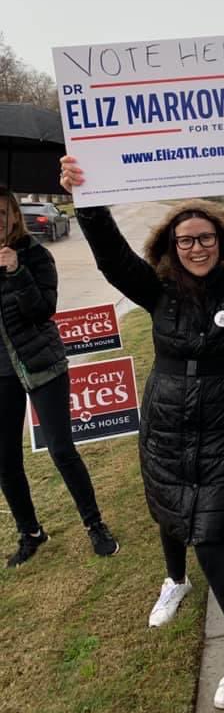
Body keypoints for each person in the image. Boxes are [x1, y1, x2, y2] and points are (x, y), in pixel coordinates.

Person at [60, 154, 224, 710]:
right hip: (166, 419)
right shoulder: (157, 292)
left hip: (223, 422)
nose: (196, 247)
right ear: (171, 246)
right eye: (186, 239)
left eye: (206, 237)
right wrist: (85, 198)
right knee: (166, 508)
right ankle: (175, 580)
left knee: (211, 537)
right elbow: (112, 257)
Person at [0, 189, 119, 568]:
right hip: (2, 371)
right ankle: (30, 531)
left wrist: (16, 271)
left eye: (2, 212)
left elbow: (43, 310)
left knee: (61, 449)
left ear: (15, 216)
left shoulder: (34, 255)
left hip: (42, 364)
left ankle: (94, 524)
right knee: (5, 459)